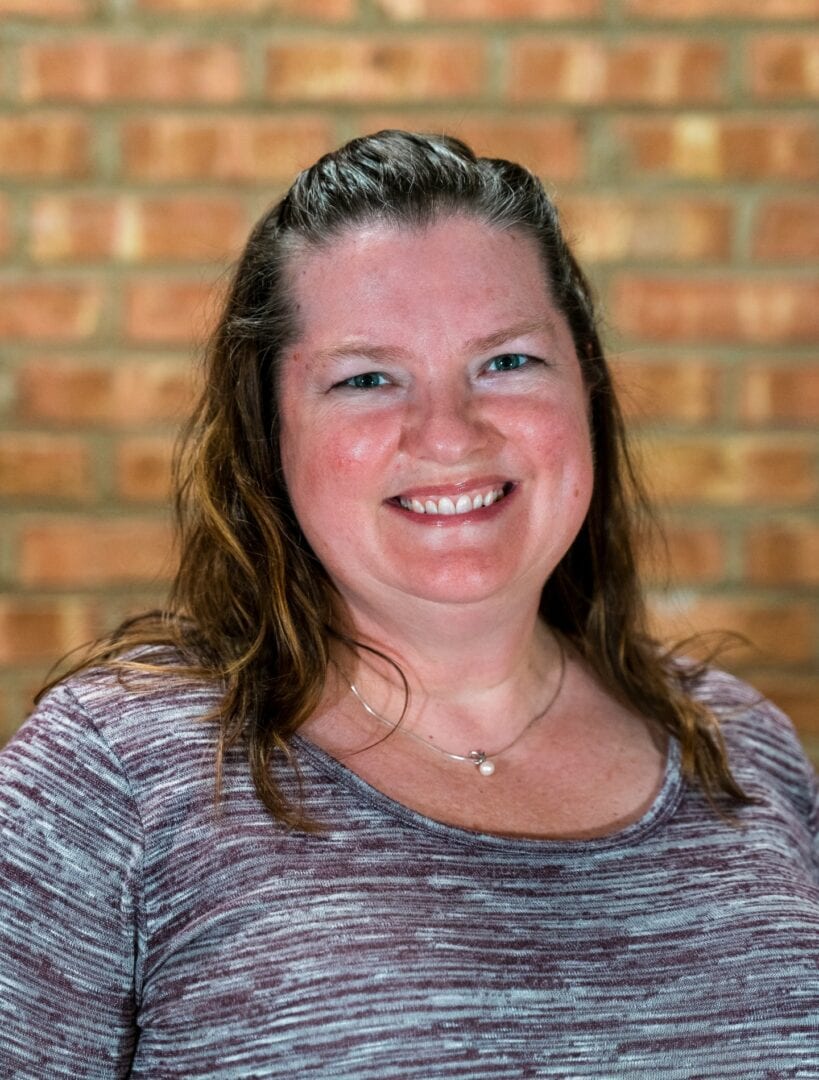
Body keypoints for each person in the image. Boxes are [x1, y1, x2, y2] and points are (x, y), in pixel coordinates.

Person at [0, 130, 816, 1078]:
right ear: (270, 433)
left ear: (585, 386)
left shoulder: (742, 749)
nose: (447, 435)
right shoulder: (113, 780)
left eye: (506, 362)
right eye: (366, 379)